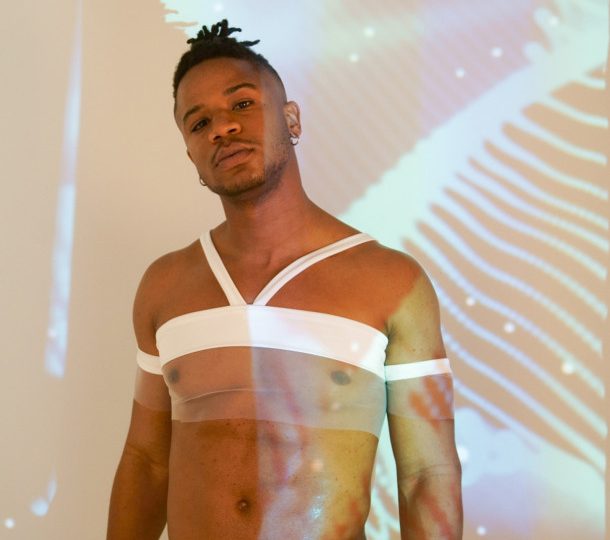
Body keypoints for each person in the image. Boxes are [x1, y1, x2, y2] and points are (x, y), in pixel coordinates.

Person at [108, 19, 462, 540]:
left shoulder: (392, 282)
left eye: (242, 103)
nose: (222, 128)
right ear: (190, 154)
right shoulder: (164, 287)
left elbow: (426, 475)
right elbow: (146, 461)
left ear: (291, 119)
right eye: (199, 122)